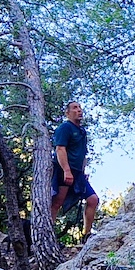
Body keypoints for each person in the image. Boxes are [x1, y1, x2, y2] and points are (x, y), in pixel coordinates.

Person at [50, 100, 99, 240]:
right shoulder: (65, 128)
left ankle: (87, 235)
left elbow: (82, 153)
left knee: (93, 199)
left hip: (78, 173)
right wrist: (66, 170)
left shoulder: (82, 131)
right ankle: (49, 237)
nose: (79, 110)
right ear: (68, 112)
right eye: (75, 108)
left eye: (80, 108)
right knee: (57, 202)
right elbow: (60, 149)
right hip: (64, 170)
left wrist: (82, 172)